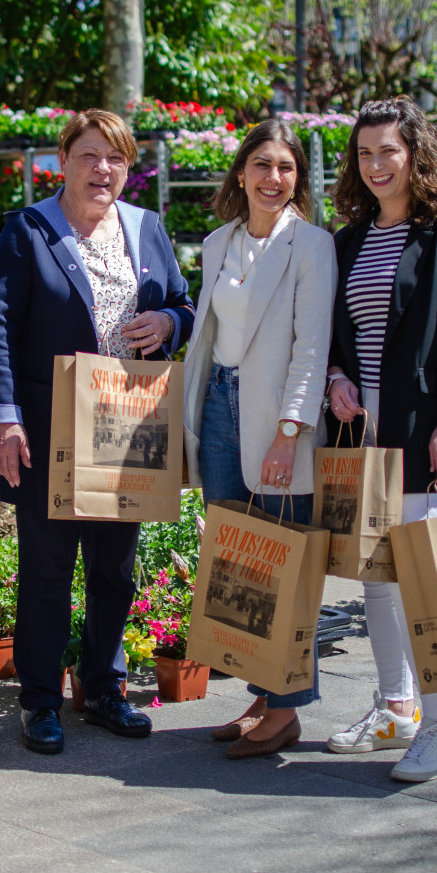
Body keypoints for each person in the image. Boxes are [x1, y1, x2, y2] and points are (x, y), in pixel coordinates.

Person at [0, 108, 194, 755]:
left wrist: (168, 327)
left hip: (129, 426)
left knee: (115, 571)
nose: (102, 169)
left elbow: (183, 303)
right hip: (49, 428)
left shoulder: (147, 228)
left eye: (116, 158)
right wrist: (5, 419)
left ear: (128, 168)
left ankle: (103, 690)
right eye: (89, 155)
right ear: (62, 161)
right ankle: (41, 701)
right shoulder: (29, 231)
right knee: (47, 569)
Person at [325, 96, 437, 782]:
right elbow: (343, 331)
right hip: (366, 431)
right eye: (364, 153)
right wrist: (336, 373)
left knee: (428, 584)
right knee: (380, 582)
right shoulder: (349, 240)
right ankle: (397, 706)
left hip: (428, 431)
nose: (375, 164)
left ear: (416, 151)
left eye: (387, 150)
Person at [183, 119, 337, 758]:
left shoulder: (312, 246)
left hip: (278, 421)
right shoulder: (219, 242)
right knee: (238, 558)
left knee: (285, 560)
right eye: (263, 166)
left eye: (287, 169)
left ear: (298, 179)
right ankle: (264, 691)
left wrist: (288, 433)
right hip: (220, 406)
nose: (275, 179)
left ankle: (288, 709)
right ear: (241, 172)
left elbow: (310, 348)